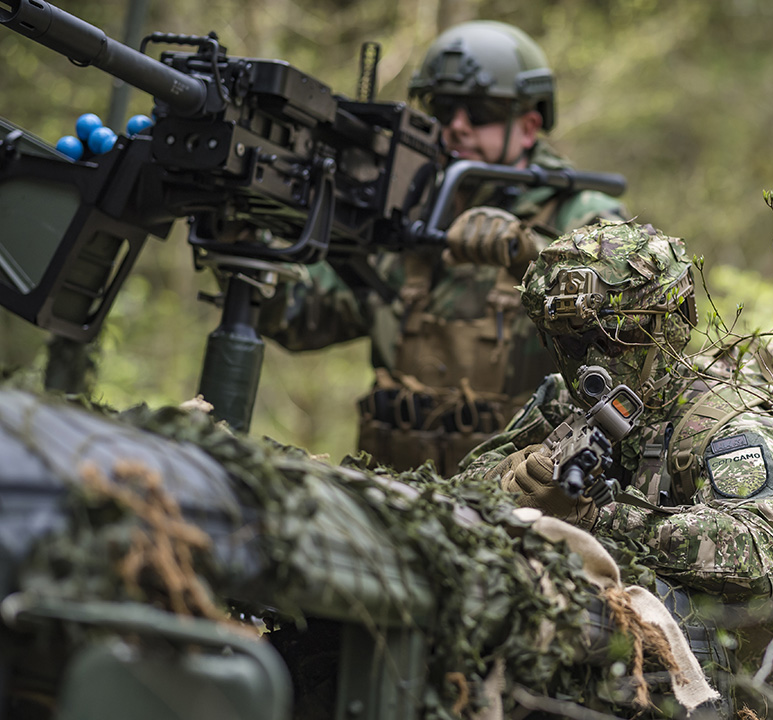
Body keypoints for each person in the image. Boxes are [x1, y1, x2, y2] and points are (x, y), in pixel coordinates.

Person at [457, 221, 773, 718]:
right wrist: (507, 480)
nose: (593, 362)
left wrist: (600, 521)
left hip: (754, 681)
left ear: (671, 323)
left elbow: (756, 550)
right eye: (572, 343)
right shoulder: (561, 401)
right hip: (619, 659)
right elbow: (461, 485)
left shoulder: (723, 422)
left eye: (620, 337)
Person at [258, 20, 626, 474]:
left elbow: (625, 340)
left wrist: (531, 261)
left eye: (481, 110)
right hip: (394, 493)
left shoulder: (583, 217)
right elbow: (304, 318)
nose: (456, 126)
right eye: (442, 107)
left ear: (529, 126)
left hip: (522, 497)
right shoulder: (402, 208)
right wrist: (254, 245)